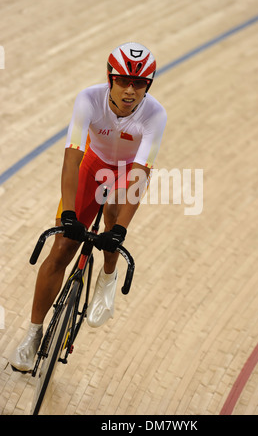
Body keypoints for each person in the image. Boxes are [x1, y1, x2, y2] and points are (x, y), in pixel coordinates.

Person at [10, 42, 167, 372]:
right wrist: (68, 214)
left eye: (139, 83)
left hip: (125, 173)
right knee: (63, 247)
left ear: (148, 86)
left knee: (114, 212)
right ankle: (33, 333)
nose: (130, 90)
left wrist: (120, 231)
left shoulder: (155, 115)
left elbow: (140, 174)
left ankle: (107, 278)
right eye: (123, 80)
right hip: (92, 165)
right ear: (110, 78)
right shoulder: (89, 99)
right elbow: (73, 157)